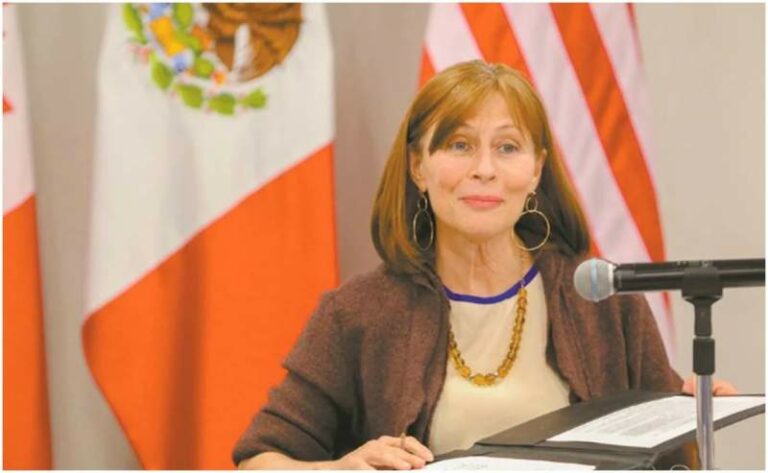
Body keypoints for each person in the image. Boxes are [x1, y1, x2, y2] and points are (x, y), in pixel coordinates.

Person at [233, 60, 735, 470]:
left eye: (507, 147)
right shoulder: (359, 313)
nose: (485, 169)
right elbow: (260, 459)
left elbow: (672, 459)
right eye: (460, 145)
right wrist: (337, 469)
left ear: (536, 170)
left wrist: (686, 416)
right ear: (418, 166)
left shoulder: (600, 298)